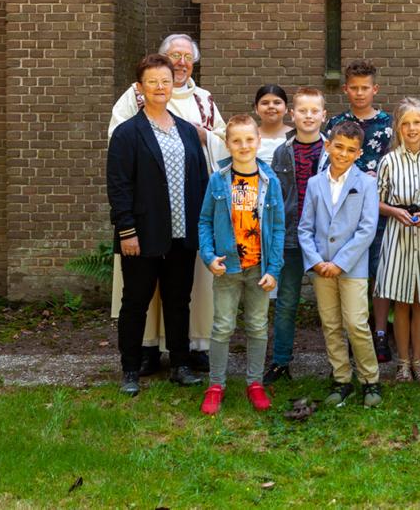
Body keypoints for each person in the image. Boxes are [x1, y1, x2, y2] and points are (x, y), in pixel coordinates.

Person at [109, 34, 223, 375]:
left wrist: (201, 228)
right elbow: (119, 179)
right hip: (143, 229)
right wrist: (126, 230)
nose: (161, 87)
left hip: (181, 229)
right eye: (153, 81)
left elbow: (204, 171)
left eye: (165, 81)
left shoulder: (194, 117)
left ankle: (183, 359)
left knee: (179, 299)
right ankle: (135, 362)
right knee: (136, 300)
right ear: (141, 86)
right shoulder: (130, 120)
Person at [197, 115, 285, 415]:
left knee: (258, 326)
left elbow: (278, 228)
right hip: (227, 268)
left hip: (259, 269)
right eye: (237, 140)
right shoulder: (218, 180)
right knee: (222, 326)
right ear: (227, 144)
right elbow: (205, 221)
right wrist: (209, 256)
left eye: (249, 139)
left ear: (258, 141)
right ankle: (215, 385)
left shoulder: (270, 181)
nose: (244, 145)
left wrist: (274, 269)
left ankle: (254, 382)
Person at [298, 121, 383, 408]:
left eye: (350, 150)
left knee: (356, 324)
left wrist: (341, 262)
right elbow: (305, 228)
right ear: (328, 146)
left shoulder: (367, 184)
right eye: (338, 147)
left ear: (359, 153)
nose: (343, 154)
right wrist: (316, 261)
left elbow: (367, 229)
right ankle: (341, 378)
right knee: (331, 324)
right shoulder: (315, 184)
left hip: (352, 267)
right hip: (321, 267)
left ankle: (370, 379)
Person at [324, 60, 393, 363]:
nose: (360, 93)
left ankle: (380, 333)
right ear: (345, 89)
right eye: (354, 88)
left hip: (380, 210)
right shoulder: (336, 124)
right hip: (344, 211)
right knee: (350, 269)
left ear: (375, 89)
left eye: (365, 88)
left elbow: (394, 164)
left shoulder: (388, 124)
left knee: (377, 272)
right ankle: (353, 332)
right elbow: (327, 165)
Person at [264, 87, 329, 385]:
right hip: (290, 238)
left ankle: (339, 365)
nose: (308, 116)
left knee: (330, 306)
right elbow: (274, 197)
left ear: (324, 115)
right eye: (303, 111)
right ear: (293, 114)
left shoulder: (332, 151)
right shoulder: (282, 152)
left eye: (314, 111)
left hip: (323, 239)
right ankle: (280, 362)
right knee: (287, 302)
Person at [375, 98, 420, 382]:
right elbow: (376, 201)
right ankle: (403, 362)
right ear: (398, 127)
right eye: (406, 123)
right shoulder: (389, 161)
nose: (412, 128)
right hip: (398, 235)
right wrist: (395, 211)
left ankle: (418, 360)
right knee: (402, 301)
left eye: (417, 122)